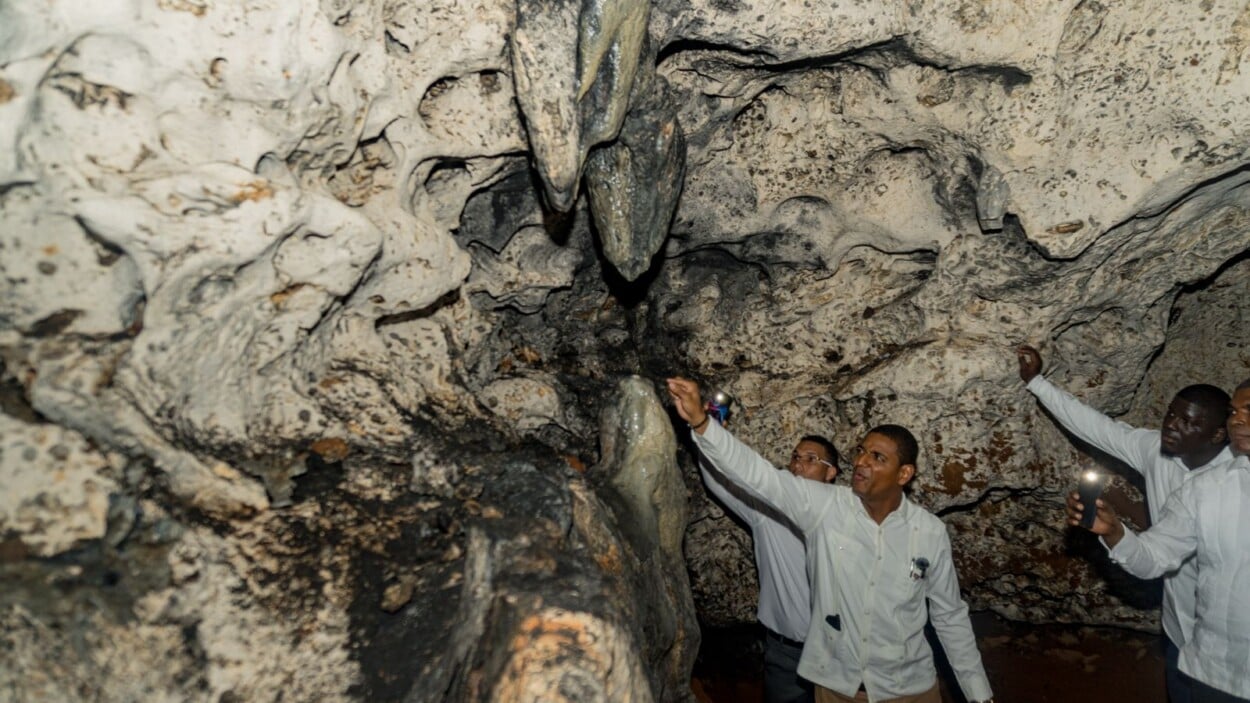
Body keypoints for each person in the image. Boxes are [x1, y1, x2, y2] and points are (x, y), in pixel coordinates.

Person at [667, 377, 993, 703]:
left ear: (904, 474)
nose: (862, 461)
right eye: (861, 452)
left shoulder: (929, 531)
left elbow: (950, 616)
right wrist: (702, 423)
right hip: (838, 687)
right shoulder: (826, 508)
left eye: (877, 457)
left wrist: (980, 695)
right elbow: (759, 475)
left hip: (910, 688)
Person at [1017, 344, 1232, 703]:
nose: (1172, 426)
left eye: (1188, 422)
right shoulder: (1157, 451)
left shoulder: (1236, 479)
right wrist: (1038, 383)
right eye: (1171, 415)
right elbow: (1098, 428)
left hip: (1230, 650)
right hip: (1181, 633)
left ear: (1216, 436)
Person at [1065, 375, 1250, 702]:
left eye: (1248, 410)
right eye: (1235, 411)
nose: (1239, 419)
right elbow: (1156, 555)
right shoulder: (1205, 489)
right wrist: (1114, 531)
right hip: (1214, 671)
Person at [698, 434, 838, 703]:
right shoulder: (768, 514)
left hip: (836, 654)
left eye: (811, 459)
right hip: (785, 654)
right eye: (795, 457)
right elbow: (720, 483)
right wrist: (705, 439)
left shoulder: (845, 513)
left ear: (830, 472)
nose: (798, 465)